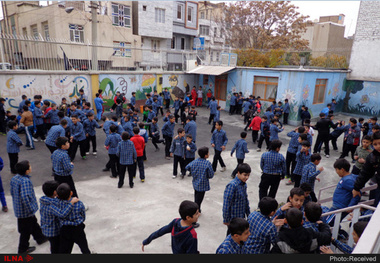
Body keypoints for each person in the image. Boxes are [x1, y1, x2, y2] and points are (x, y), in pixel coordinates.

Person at [10, 160, 47, 254]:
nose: (31, 167)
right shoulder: (25, 181)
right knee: (25, 231)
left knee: (33, 223)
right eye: (29, 166)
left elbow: (12, 192)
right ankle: (23, 249)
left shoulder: (15, 179)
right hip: (25, 211)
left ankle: (40, 238)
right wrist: (30, 209)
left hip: (19, 208)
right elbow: (25, 197)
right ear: (26, 171)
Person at [39, 180, 78, 254]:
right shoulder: (50, 205)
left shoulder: (44, 200)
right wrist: (71, 203)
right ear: (54, 192)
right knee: (56, 248)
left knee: (54, 246)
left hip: (46, 229)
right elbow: (62, 214)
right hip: (53, 232)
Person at [56, 183, 91, 254]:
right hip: (77, 229)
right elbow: (83, 215)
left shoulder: (58, 203)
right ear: (71, 193)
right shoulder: (79, 203)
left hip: (65, 229)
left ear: (58, 195)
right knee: (84, 247)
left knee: (65, 250)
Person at [353, 131, 380, 207]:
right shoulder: (372, 157)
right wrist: (356, 188)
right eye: (375, 144)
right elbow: (365, 173)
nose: (378, 146)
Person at [185, 147, 214, 217]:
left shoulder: (195, 161)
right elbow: (211, 175)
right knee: (198, 200)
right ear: (205, 155)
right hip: (203, 185)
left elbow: (187, 167)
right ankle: (195, 212)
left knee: (196, 197)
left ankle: (198, 210)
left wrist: (193, 172)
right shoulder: (207, 163)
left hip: (195, 183)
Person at [222, 163, 251, 230]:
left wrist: (248, 214)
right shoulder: (232, 186)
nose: (247, 177)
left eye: (248, 175)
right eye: (245, 175)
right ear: (238, 173)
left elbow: (245, 200)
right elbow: (226, 204)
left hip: (241, 217)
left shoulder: (243, 184)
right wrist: (226, 219)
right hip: (233, 219)